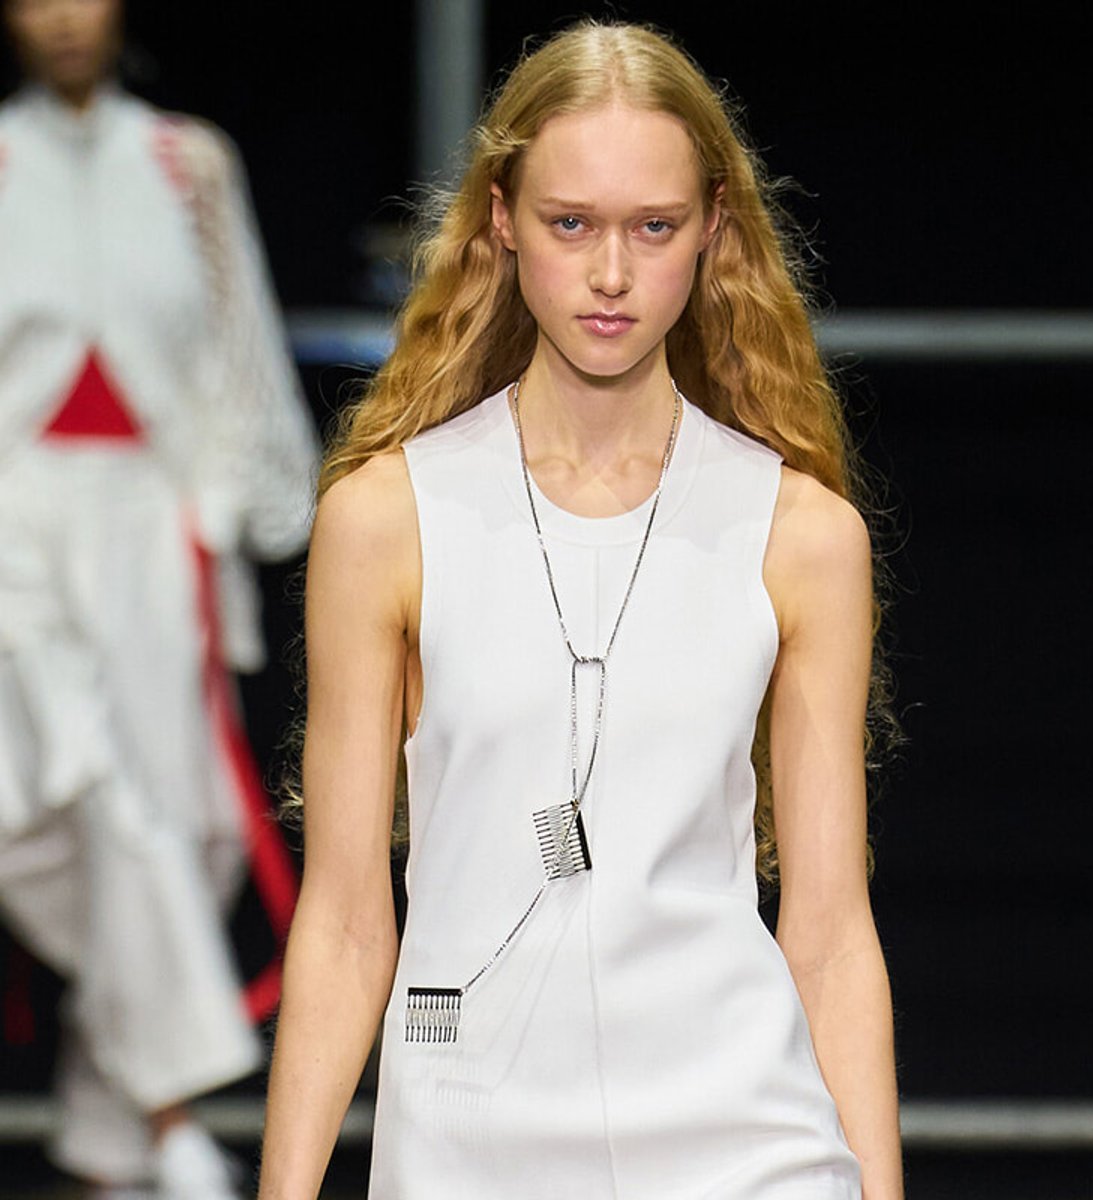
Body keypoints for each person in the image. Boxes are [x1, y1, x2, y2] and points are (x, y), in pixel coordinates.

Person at [259, 19, 902, 1200]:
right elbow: (349, 920)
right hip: (470, 1137)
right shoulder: (389, 520)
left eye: (653, 228)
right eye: (573, 225)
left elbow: (827, 928)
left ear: (713, 227)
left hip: (742, 1135)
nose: (612, 274)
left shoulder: (802, 537)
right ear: (501, 218)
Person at [0, 1, 319, 1196]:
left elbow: (237, 347)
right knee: (74, 804)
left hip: (153, 525)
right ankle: (178, 1123)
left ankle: (108, 1152)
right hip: (15, 529)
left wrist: (223, 509)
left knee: (180, 832)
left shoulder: (187, 162)